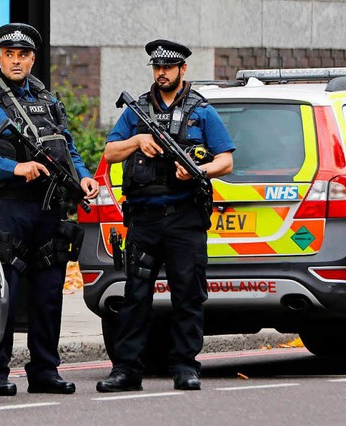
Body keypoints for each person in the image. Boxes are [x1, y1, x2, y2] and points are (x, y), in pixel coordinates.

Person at [0, 22, 99, 396]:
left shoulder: (47, 99)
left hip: (49, 208)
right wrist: (14, 168)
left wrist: (82, 177)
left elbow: (68, 148)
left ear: (33, 58)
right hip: (7, 209)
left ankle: (45, 371)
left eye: (23, 55)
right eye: (9, 54)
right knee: (5, 292)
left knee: (49, 294)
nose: (16, 61)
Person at [96, 40, 235, 392]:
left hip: (184, 218)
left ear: (182, 70)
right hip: (143, 220)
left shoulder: (201, 111)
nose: (162, 73)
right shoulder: (137, 110)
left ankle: (185, 366)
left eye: (168, 67)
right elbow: (111, 152)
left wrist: (200, 171)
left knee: (187, 295)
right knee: (135, 295)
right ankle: (127, 370)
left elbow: (227, 160)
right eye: (157, 67)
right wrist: (138, 140)